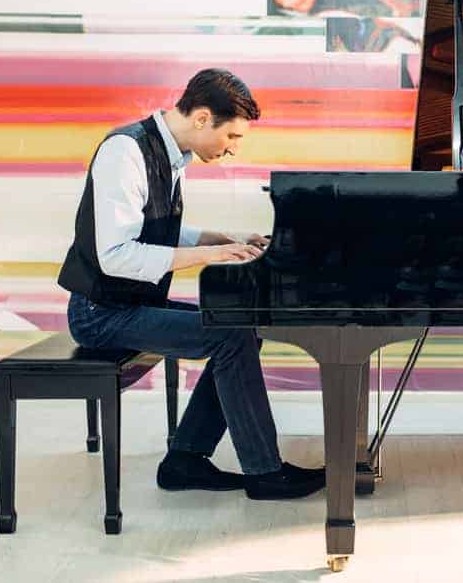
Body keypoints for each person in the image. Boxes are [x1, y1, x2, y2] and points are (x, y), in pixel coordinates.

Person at [57, 68, 325, 500]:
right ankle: (263, 473)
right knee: (232, 335)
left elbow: (154, 227)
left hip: (127, 305)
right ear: (202, 118)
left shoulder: (167, 155)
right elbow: (116, 254)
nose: (233, 150)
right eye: (233, 137)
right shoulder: (124, 152)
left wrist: (223, 238)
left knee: (239, 323)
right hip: (100, 314)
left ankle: (185, 460)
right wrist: (211, 256)